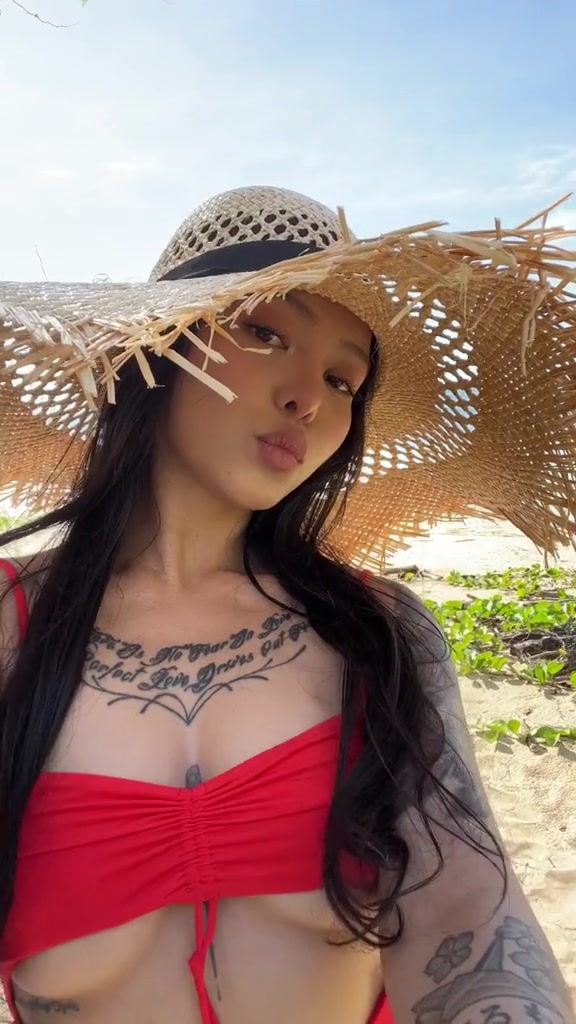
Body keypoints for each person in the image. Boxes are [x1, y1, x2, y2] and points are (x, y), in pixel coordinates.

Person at [0, 185, 574, 1024]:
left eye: (344, 379)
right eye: (267, 334)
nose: (310, 397)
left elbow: (469, 905)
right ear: (158, 351)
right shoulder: (11, 625)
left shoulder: (379, 633)